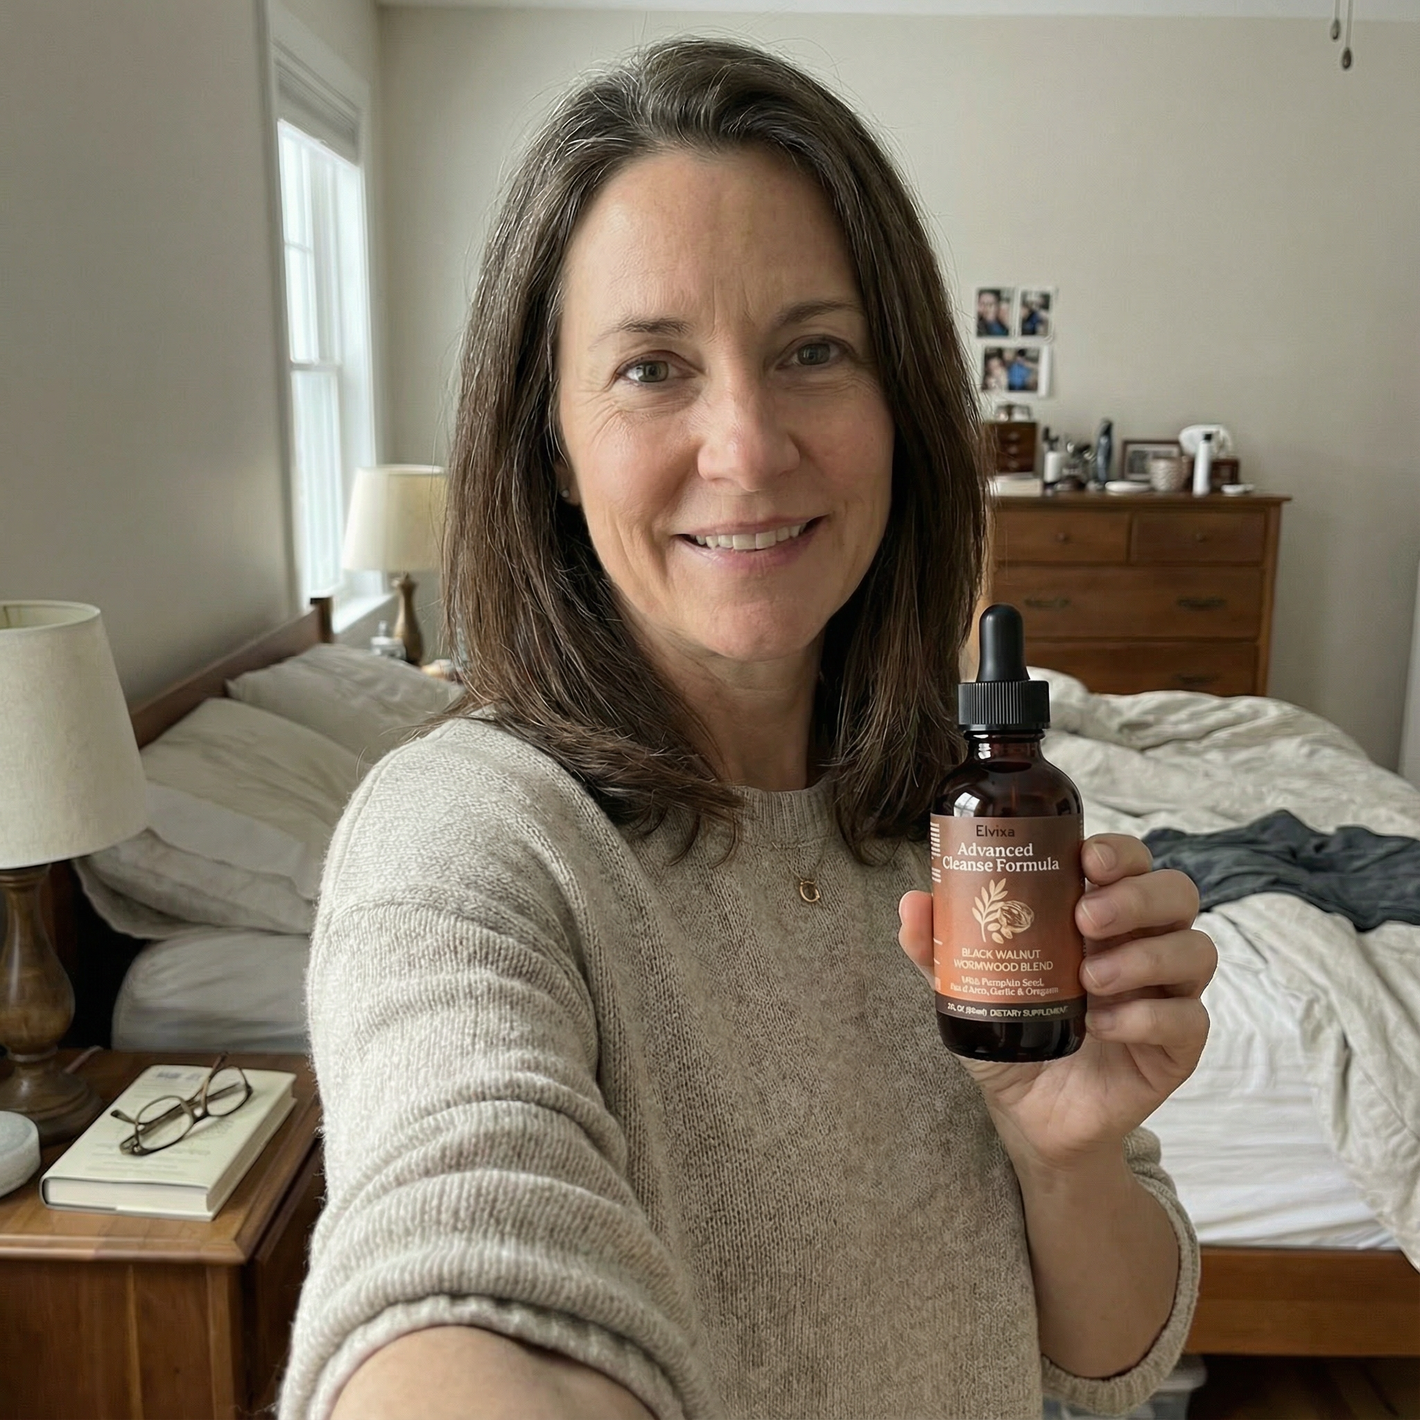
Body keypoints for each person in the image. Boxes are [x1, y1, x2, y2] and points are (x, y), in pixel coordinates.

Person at [279, 37, 1212, 1420]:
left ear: (901, 402)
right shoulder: (470, 837)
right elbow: (455, 1238)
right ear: (552, 443)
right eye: (653, 367)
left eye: (813, 351)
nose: (750, 448)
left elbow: (1115, 1362)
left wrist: (1062, 1155)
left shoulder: (967, 828)